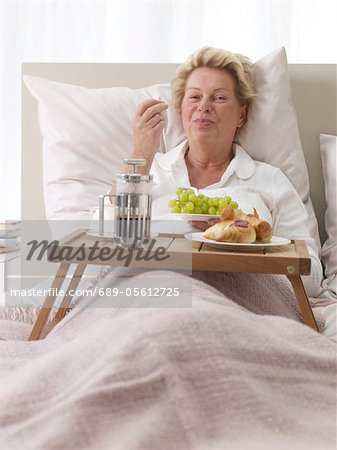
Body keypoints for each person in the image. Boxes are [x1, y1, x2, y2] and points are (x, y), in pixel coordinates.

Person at [111, 46, 322, 297]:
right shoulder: (150, 171)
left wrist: (243, 247)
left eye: (219, 97)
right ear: (180, 110)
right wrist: (140, 154)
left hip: (241, 304)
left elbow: (311, 278)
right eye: (194, 97)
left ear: (241, 115)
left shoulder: (270, 181)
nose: (204, 106)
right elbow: (102, 250)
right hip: (155, 300)